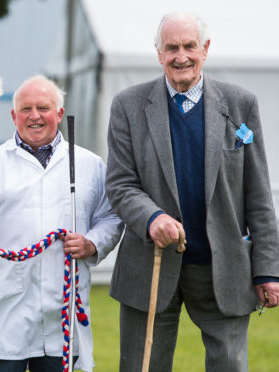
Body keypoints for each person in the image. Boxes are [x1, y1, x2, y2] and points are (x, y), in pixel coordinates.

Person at [105, 11, 279, 371]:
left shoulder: (240, 104)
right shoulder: (128, 106)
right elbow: (121, 184)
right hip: (149, 264)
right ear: (158, 53)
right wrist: (151, 217)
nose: (180, 56)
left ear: (205, 49)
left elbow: (258, 194)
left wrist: (267, 269)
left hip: (223, 266)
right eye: (171, 48)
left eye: (189, 46)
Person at [0, 75, 123, 372]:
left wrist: (91, 243)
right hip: (5, 313)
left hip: (62, 314)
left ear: (59, 113)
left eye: (43, 108)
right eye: (26, 109)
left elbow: (110, 216)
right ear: (14, 116)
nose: (34, 116)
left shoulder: (90, 164)